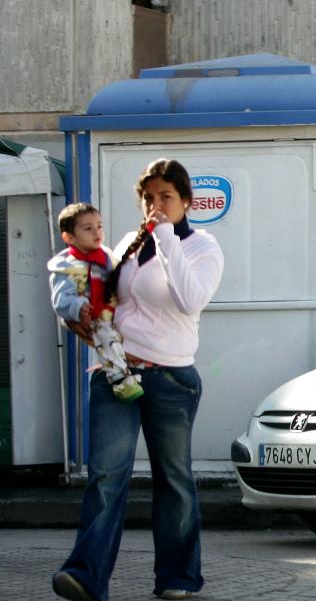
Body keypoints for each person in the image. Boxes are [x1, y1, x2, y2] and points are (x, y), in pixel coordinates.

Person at [53, 159, 224, 601]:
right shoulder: (129, 243)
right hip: (116, 374)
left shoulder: (203, 247)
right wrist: (77, 313)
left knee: (173, 480)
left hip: (171, 379)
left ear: (186, 201)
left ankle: (178, 578)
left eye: (166, 196)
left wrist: (166, 235)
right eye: (148, 197)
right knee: (106, 475)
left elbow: (190, 300)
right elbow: (102, 294)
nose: (156, 204)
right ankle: (85, 577)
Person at [47, 203, 143, 401]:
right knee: (106, 337)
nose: (96, 232)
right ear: (69, 238)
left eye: (99, 226)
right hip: (93, 317)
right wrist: (77, 307)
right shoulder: (67, 267)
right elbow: (60, 299)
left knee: (122, 335)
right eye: (88, 228)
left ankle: (131, 363)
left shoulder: (106, 256)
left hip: (112, 310)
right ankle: (119, 379)